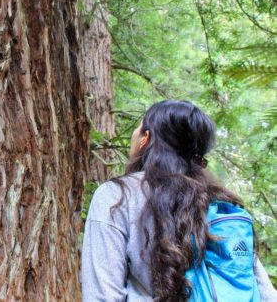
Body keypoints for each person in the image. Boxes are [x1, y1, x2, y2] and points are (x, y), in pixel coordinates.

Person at [81, 99, 277, 301]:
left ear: (145, 138)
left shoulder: (117, 196)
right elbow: (265, 291)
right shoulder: (222, 204)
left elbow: (102, 295)